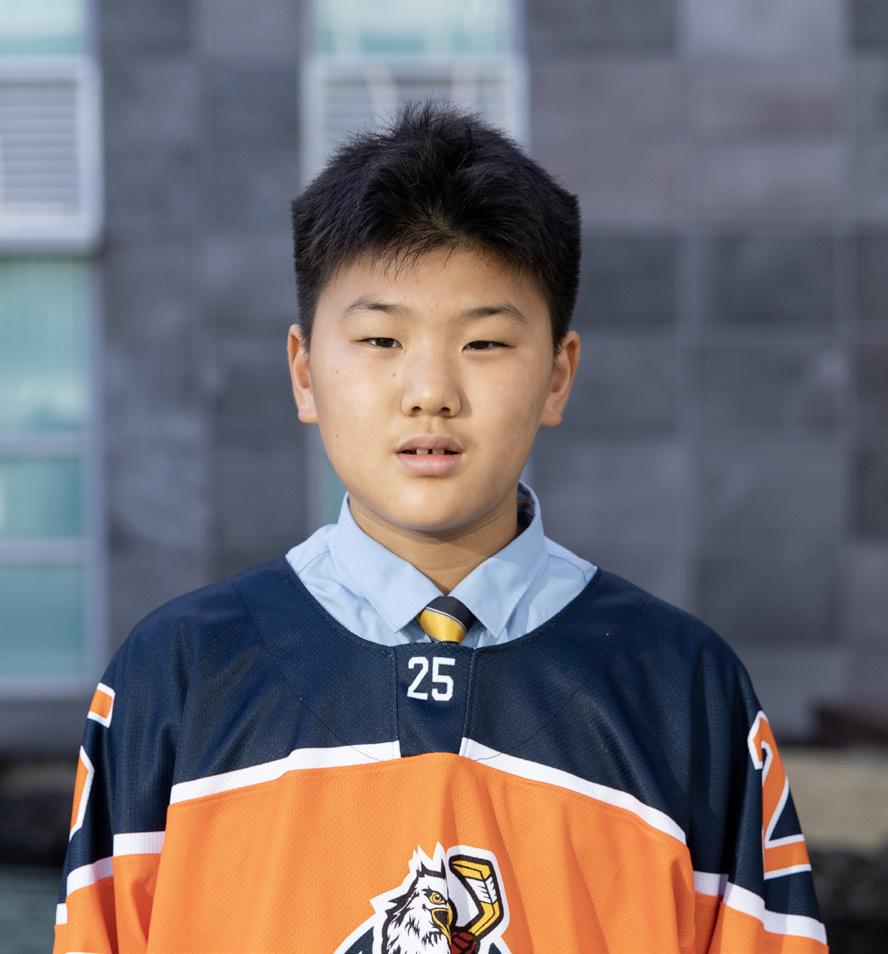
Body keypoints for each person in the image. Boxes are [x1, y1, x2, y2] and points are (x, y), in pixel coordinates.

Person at [53, 99, 828, 954]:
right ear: (305, 373)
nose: (431, 392)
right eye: (381, 341)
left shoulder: (684, 690)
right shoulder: (174, 678)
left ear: (558, 375)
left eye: (484, 344)